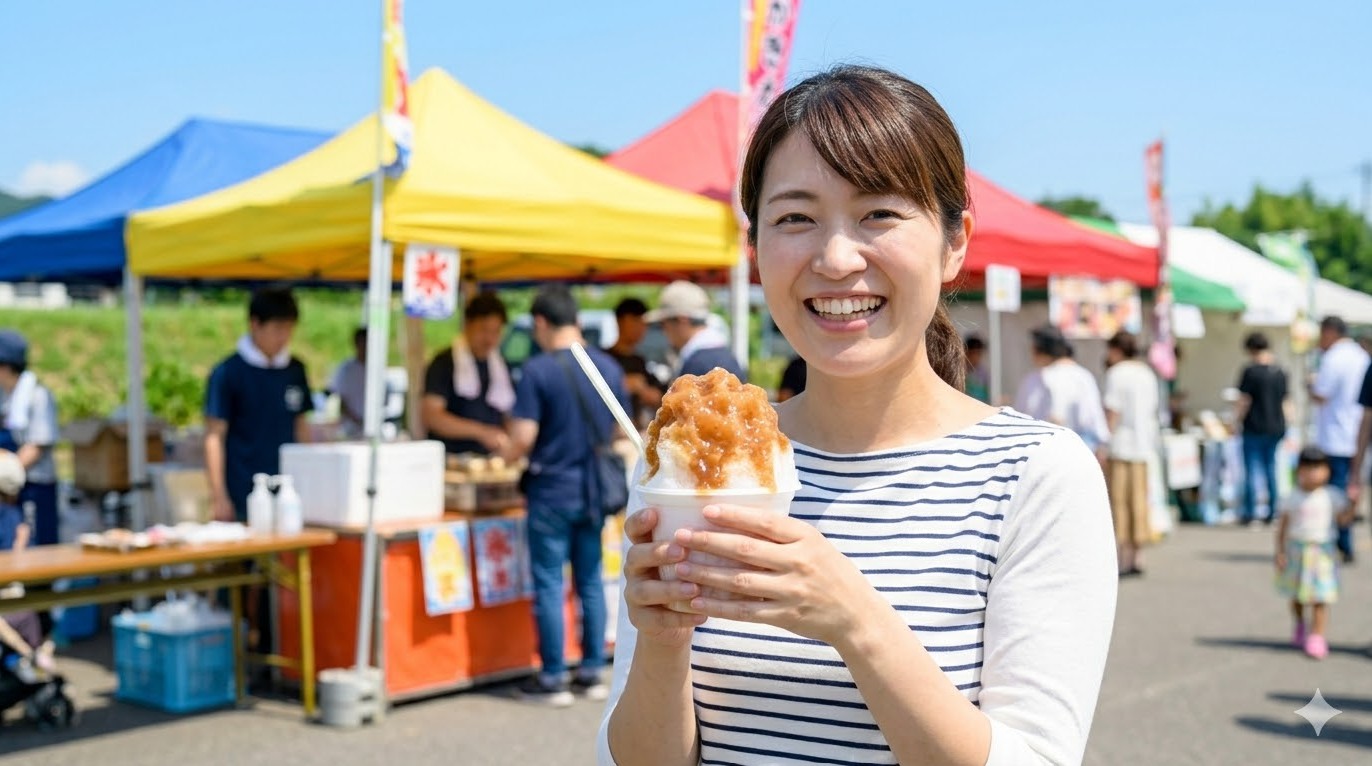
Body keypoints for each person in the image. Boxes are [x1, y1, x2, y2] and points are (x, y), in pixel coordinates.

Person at [600, 65, 1116, 766]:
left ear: (955, 241)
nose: (837, 258)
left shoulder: (1036, 475)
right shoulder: (694, 467)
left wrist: (854, 621)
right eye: (795, 219)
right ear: (756, 250)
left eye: (879, 214)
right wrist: (662, 642)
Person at [505, 284, 628, 707]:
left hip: (551, 490)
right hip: (595, 490)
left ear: (540, 322)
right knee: (590, 580)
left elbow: (524, 436)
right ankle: (592, 671)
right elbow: (619, 428)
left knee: (549, 582)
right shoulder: (607, 366)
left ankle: (553, 677)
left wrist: (506, 452)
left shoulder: (537, 371)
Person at [204, 287, 313, 523]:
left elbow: (301, 426)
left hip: (288, 490)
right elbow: (214, 436)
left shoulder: (295, 370)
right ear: (255, 324)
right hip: (242, 488)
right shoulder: (229, 372)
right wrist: (219, 496)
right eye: (277, 329)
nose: (284, 337)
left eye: (289, 329)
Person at [1275, 446, 1356, 660]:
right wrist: (1280, 552)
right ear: (1299, 470)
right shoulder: (1291, 497)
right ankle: (1300, 623)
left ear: (1327, 471)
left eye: (1318, 468)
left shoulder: (1332, 496)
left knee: (1321, 597)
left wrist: (1353, 505)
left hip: (1322, 552)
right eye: (1308, 468)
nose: (1313, 473)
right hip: (1296, 551)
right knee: (1297, 596)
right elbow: (1282, 528)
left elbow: (1343, 520)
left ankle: (1317, 636)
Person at [1308, 315, 1369, 563]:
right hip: (1357, 435)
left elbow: (1322, 394)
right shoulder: (1362, 357)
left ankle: (1337, 541)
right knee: (1351, 490)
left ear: (1330, 332)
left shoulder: (1333, 358)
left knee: (1334, 493)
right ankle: (1344, 541)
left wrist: (1309, 386)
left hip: (1336, 436)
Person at [422, 292, 513, 456]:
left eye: (496, 332)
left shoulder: (500, 365)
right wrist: (481, 432)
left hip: (491, 459)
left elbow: (508, 412)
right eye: (484, 330)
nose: (489, 339)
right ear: (468, 325)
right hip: (451, 456)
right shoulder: (444, 363)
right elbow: (432, 416)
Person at [1103, 331, 1160, 576]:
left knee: (1120, 502)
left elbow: (1113, 411)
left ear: (1116, 350)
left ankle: (1125, 556)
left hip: (1121, 445)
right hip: (1144, 445)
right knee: (1140, 500)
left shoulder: (1116, 373)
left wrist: (1103, 442)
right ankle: (1139, 555)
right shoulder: (1147, 373)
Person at [1013, 324, 1111, 458]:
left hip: (1040, 455)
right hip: (1079, 455)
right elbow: (1094, 423)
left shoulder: (1035, 379)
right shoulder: (1082, 376)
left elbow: (1021, 420)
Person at [0, 331, 58, 545]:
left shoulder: (38, 396)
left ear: (6, 367)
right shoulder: (5, 396)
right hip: (8, 488)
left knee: (36, 545)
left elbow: (37, 446)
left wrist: (7, 471)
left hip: (34, 485)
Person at [1235, 332, 1290, 526]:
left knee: (1251, 469)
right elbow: (1286, 401)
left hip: (1254, 426)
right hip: (1276, 426)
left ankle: (1250, 512)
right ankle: (1272, 511)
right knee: (1271, 468)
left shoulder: (1250, 372)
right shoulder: (1280, 371)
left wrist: (1235, 421)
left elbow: (1244, 401)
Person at [645, 281, 746, 383]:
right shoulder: (724, 355)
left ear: (682, 320)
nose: (663, 331)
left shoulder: (698, 364)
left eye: (662, 324)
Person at [606, 297, 665, 428]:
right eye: (636, 321)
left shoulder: (639, 361)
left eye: (644, 323)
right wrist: (622, 384)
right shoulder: (604, 360)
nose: (642, 328)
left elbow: (659, 395)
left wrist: (645, 391)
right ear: (620, 321)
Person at [328, 327, 369, 438]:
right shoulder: (345, 369)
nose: (364, 347)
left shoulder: (376, 369)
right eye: (362, 343)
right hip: (350, 429)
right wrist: (358, 421)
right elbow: (340, 401)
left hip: (374, 427)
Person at [964, 334, 990, 403]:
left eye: (979, 353)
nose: (976, 357)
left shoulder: (983, 373)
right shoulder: (960, 372)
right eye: (974, 353)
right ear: (966, 353)